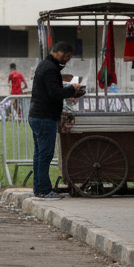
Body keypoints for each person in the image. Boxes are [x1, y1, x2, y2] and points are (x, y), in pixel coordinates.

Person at [28, 41, 86, 199]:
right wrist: (72, 89)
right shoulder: (50, 68)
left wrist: (66, 85)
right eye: (68, 57)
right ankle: (43, 190)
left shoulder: (46, 65)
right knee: (45, 155)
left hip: (37, 115)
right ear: (63, 54)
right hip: (44, 117)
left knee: (39, 155)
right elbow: (54, 93)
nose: (67, 61)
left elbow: (52, 88)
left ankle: (39, 188)